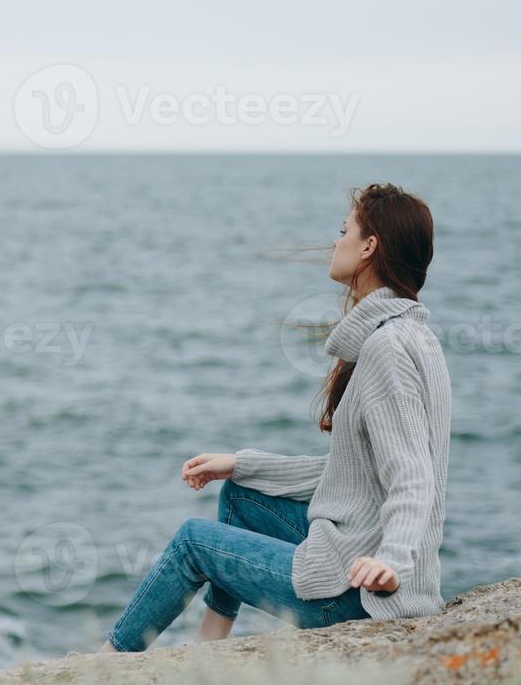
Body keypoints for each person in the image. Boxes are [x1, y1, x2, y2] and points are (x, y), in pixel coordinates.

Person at [100, 183, 451, 653]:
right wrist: (242, 464)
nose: (335, 241)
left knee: (192, 541)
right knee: (240, 495)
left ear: (369, 247)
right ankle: (212, 648)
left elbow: (413, 476)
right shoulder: (412, 336)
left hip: (357, 596)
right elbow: (353, 476)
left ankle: (107, 662)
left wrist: (392, 561)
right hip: (357, 562)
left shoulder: (387, 349)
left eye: (343, 230)